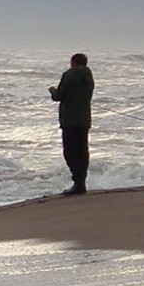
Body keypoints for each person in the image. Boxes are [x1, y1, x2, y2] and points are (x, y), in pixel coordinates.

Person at [48, 53, 94, 195]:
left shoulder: (69, 75)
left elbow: (59, 96)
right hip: (84, 119)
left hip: (70, 120)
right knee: (82, 151)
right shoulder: (89, 76)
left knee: (70, 152)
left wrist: (52, 90)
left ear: (73, 62)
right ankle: (81, 183)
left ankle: (77, 183)